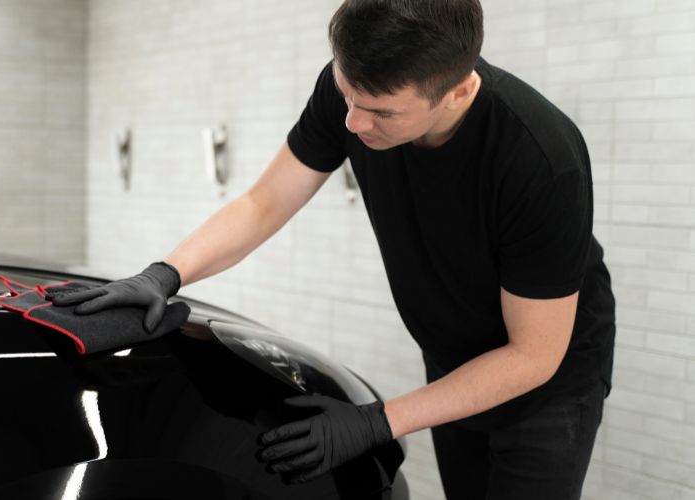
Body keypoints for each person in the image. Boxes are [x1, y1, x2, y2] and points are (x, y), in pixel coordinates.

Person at [49, 0, 616, 498]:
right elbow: (265, 203)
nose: (353, 122)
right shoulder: (356, 91)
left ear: (458, 92)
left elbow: (532, 356)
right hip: (452, 352)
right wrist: (165, 274)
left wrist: (376, 422)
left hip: (547, 377)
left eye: (382, 112)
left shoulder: (540, 161)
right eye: (348, 96)